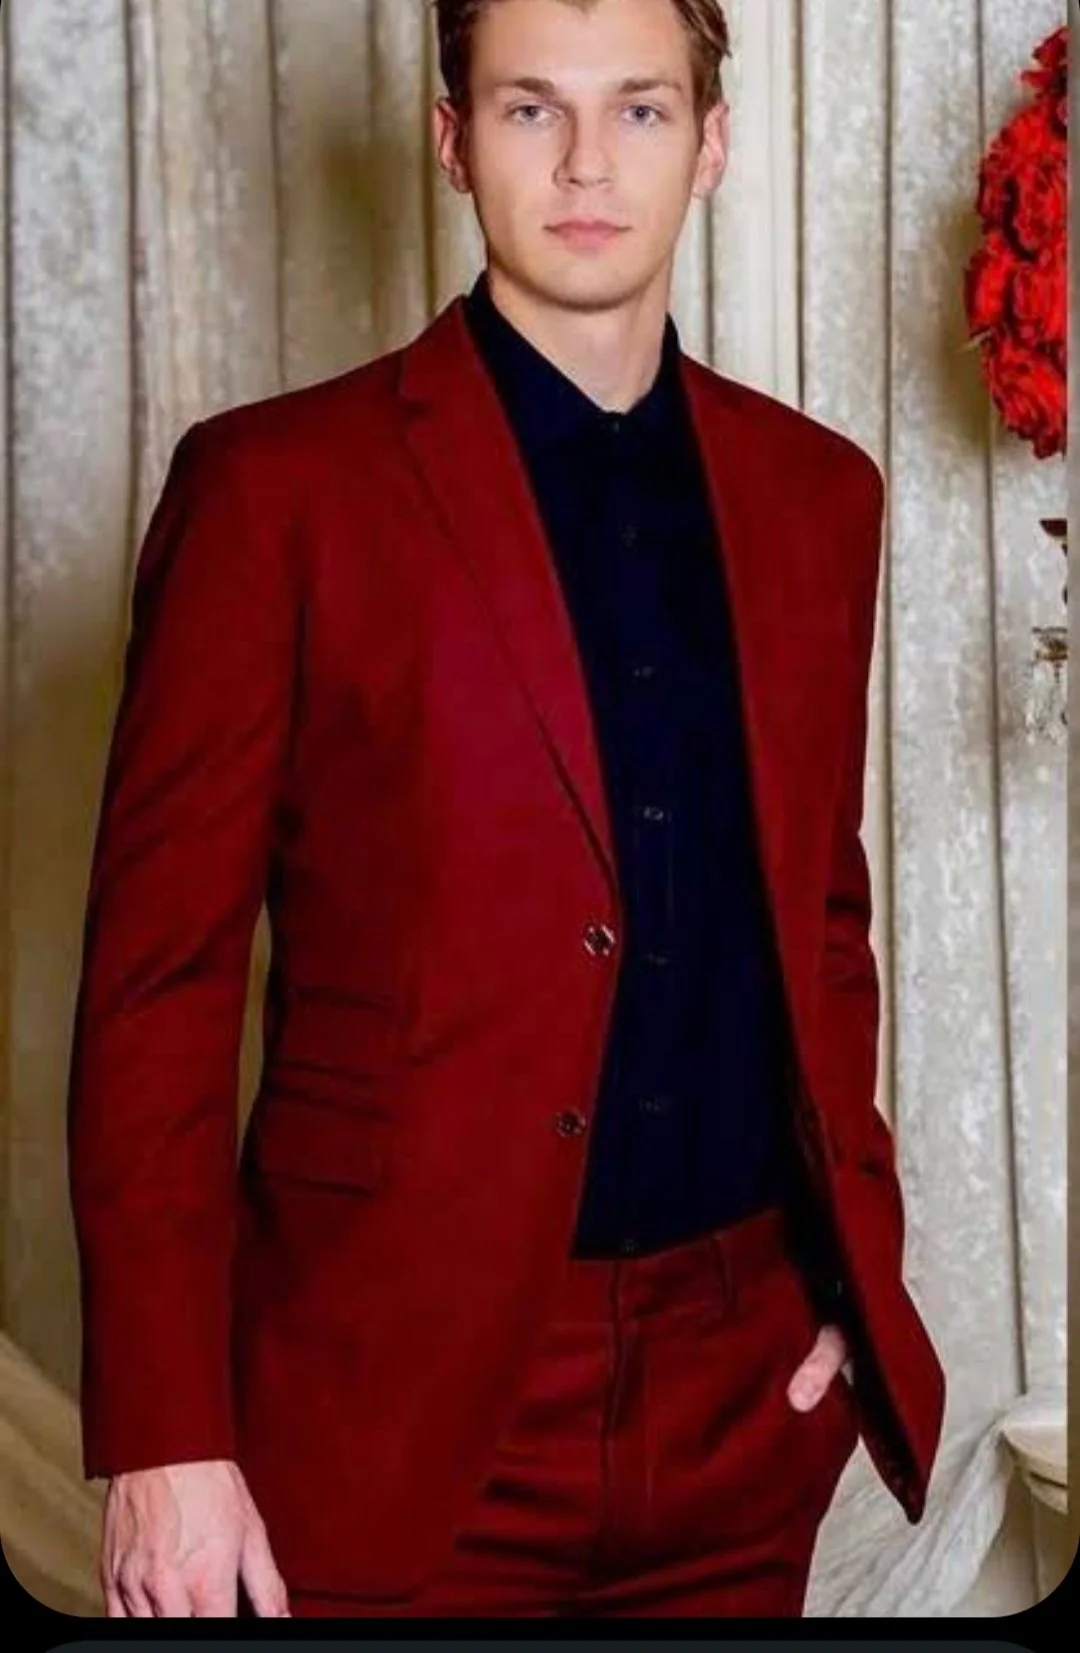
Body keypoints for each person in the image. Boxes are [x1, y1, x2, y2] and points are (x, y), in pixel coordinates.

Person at [67, 0, 946, 1620]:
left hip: (742, 1401)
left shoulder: (819, 495)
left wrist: (849, 1278)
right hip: (387, 1402)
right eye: (533, 109)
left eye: (642, 109)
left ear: (713, 144)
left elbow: (824, 919)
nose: (590, 162)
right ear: (454, 141)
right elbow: (155, 995)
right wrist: (167, 1436)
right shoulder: (274, 493)